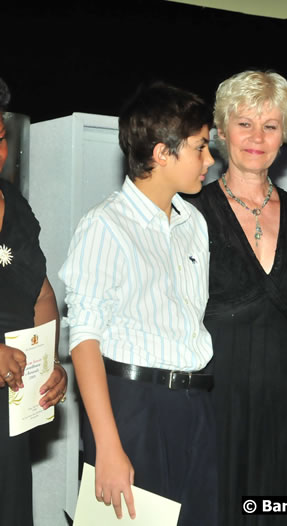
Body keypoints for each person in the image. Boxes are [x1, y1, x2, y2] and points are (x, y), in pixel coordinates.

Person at [59, 83, 217, 525]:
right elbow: (84, 336)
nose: (209, 160)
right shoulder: (105, 225)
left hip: (196, 404)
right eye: (201, 148)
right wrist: (107, 445)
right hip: (133, 407)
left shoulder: (194, 224)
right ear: (163, 153)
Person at [187, 70, 287, 525]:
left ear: (284, 136)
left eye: (270, 126)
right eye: (244, 123)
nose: (256, 137)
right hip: (209, 408)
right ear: (222, 130)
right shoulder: (188, 211)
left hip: (285, 415)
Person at [0, 77, 69, 526]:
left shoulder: (16, 205)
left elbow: (41, 292)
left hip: (11, 407)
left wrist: (49, 366)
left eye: (0, 138)